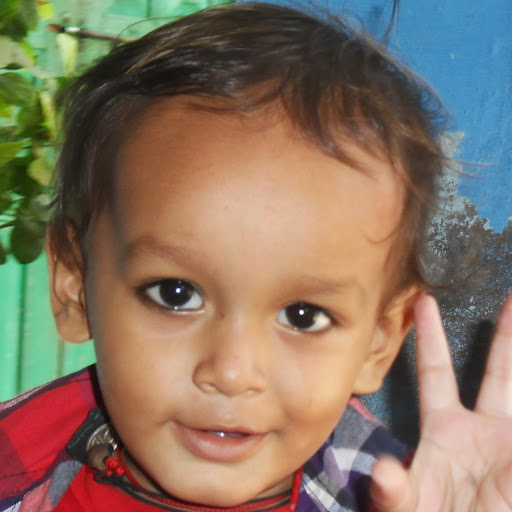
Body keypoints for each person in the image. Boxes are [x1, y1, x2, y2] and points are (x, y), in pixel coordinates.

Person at [1, 3, 511, 511]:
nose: (232, 372)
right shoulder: (14, 465)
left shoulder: (398, 500)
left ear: (378, 342)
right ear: (75, 284)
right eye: (175, 295)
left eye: (303, 316)